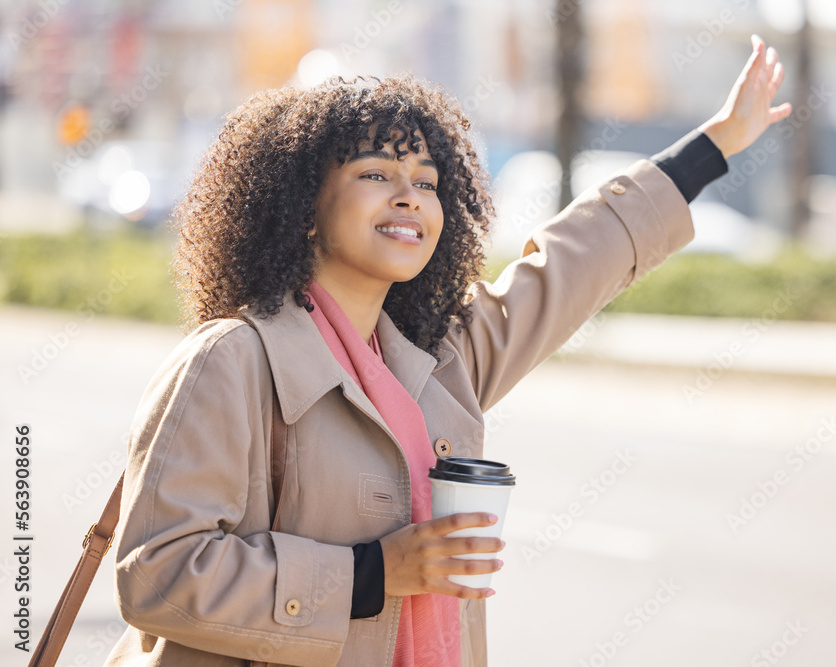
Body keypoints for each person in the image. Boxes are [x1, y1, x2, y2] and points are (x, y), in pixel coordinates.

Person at [106, 34, 790, 667]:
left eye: (427, 182)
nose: (410, 197)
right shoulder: (231, 360)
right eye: (377, 174)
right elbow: (158, 575)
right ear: (304, 205)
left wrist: (715, 144)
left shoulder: (439, 357)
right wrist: (374, 574)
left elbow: (571, 265)